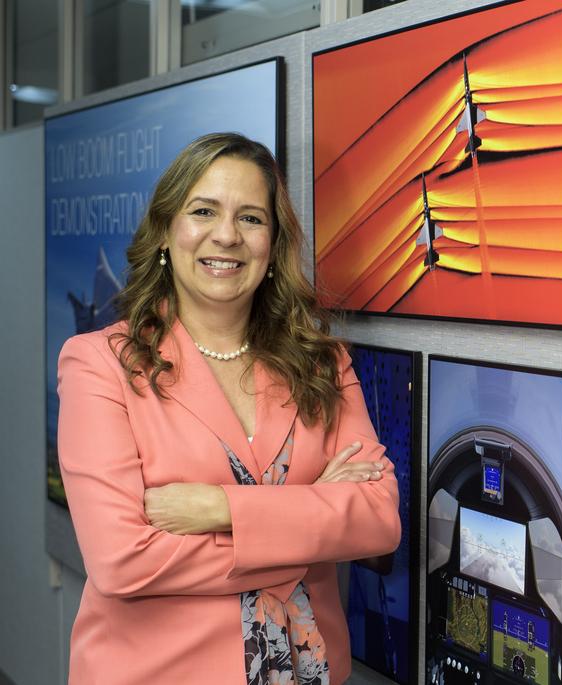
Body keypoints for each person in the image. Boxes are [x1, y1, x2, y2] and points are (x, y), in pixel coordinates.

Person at [57, 132, 401, 684]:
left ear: (273, 242)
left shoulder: (320, 363)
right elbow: (121, 560)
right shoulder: (101, 364)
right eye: (203, 211)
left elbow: (380, 518)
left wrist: (219, 508)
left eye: (250, 218)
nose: (226, 236)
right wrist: (312, 525)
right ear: (167, 232)